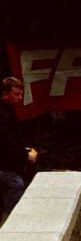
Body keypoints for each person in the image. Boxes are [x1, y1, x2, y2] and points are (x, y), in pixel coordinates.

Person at [0, 77, 37, 223]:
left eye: (21, 94)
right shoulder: (3, 114)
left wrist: (25, 149)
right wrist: (25, 155)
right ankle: (15, 222)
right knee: (16, 185)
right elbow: (4, 140)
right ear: (5, 93)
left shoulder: (8, 111)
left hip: (8, 164)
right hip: (4, 167)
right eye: (16, 94)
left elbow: (12, 138)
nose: (20, 98)